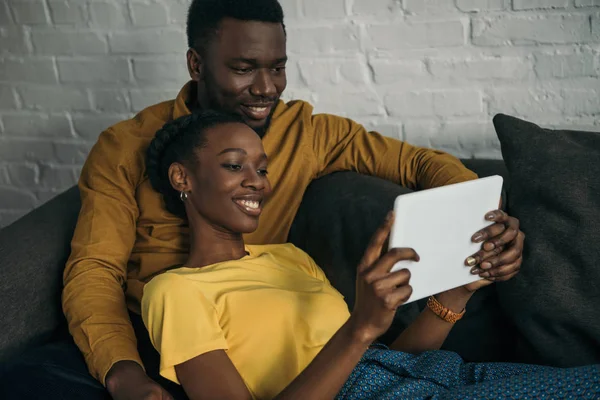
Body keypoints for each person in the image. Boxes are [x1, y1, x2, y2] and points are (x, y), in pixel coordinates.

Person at [0, 1, 525, 399]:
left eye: (278, 67)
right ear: (196, 64)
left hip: (267, 321)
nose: (266, 87)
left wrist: (482, 220)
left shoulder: (307, 137)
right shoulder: (126, 146)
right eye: (245, 68)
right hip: (162, 336)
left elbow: (418, 164)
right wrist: (125, 374)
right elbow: (94, 271)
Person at [140, 110, 598, 400]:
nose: (258, 181)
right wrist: (361, 326)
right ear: (182, 178)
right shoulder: (174, 291)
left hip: (435, 376)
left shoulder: (288, 258)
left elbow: (383, 365)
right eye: (235, 165)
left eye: (262, 168)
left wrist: (457, 294)